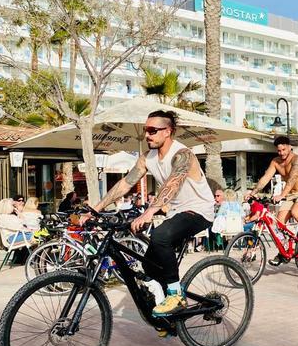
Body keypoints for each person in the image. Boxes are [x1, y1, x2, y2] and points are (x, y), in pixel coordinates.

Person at [85, 110, 214, 318]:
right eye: (146, 130)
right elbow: (126, 183)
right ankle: (169, 318)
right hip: (176, 212)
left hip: (199, 210)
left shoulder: (183, 155)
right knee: (149, 266)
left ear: (168, 131)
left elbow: (172, 185)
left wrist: (149, 213)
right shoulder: (148, 158)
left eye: (153, 130)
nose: (147, 135)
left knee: (160, 235)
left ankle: (175, 294)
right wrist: (96, 209)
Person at [245, 135, 298, 266]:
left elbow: (292, 180)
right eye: (279, 150)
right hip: (291, 195)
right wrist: (253, 192)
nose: (282, 153)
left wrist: (281, 195)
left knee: (296, 213)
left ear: (289, 147)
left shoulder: (297, 160)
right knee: (279, 224)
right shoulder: (275, 162)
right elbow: (265, 178)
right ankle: (283, 252)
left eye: (284, 149)